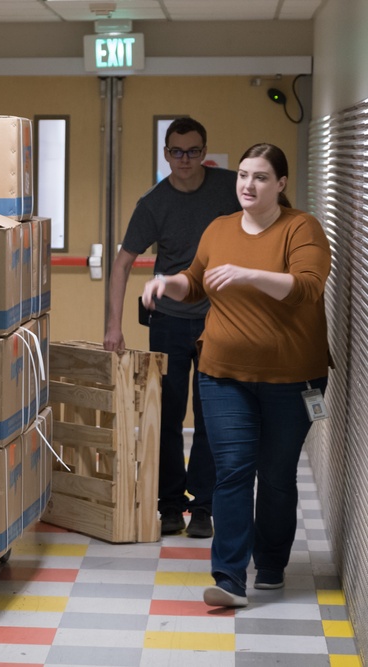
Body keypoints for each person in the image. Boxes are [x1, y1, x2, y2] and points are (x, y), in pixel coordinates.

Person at [141, 143, 331, 608]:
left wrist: (248, 275)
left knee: (278, 475)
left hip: (292, 379)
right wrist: (169, 282)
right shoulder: (220, 228)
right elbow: (197, 280)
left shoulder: (301, 228)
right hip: (223, 373)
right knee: (233, 471)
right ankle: (228, 578)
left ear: (281, 184)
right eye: (244, 175)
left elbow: (308, 287)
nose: (248, 184)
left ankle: (270, 563)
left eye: (261, 177)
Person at [104, 117, 241, 538]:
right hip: (169, 323)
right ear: (166, 153)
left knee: (210, 415)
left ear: (205, 151)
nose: (185, 159)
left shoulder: (230, 187)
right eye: (177, 152)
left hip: (220, 320)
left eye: (194, 151)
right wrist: (114, 326)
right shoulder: (153, 202)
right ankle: (168, 505)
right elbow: (123, 262)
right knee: (165, 415)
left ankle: (202, 507)